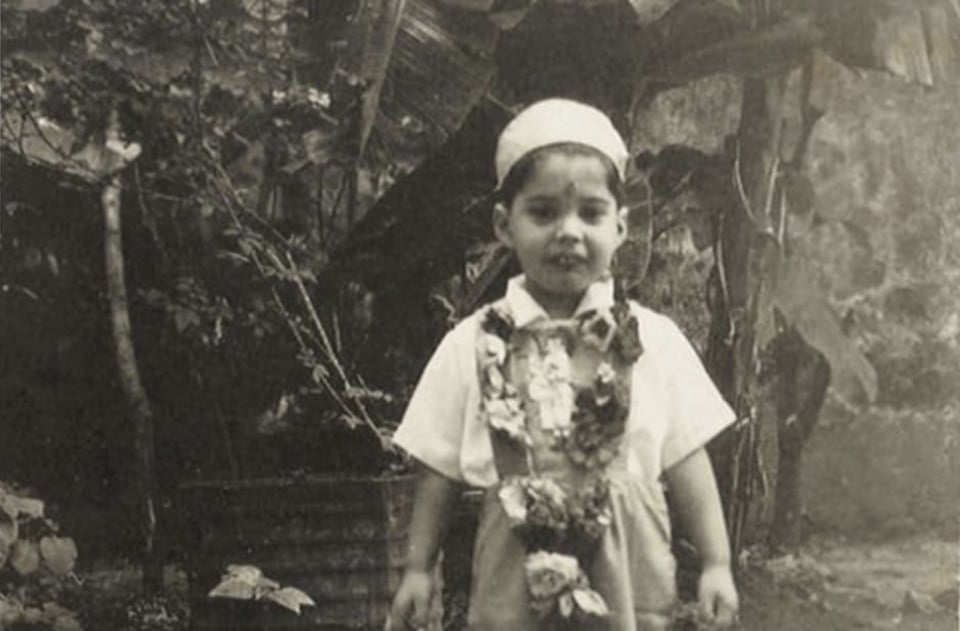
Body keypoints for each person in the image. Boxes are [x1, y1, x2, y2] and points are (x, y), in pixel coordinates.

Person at [386, 99, 739, 631]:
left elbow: (688, 459)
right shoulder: (473, 344)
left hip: (629, 574)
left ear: (620, 227)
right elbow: (438, 467)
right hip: (516, 569)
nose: (569, 231)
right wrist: (417, 568)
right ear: (505, 225)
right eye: (544, 212)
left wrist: (716, 562)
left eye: (591, 213)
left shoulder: (655, 343)